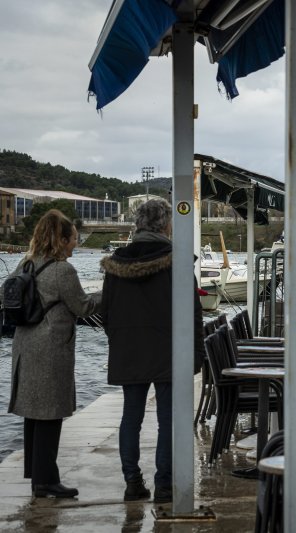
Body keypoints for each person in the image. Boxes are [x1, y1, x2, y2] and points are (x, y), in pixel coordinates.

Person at [99, 198, 203, 503]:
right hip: (169, 350)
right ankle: (165, 485)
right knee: (167, 420)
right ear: (166, 224)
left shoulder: (116, 264)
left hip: (129, 350)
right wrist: (195, 356)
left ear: (138, 225)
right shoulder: (177, 261)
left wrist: (122, 339)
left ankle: (132, 482)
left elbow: (106, 312)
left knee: (130, 417)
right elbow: (193, 313)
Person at [4, 209, 101, 498]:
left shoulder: (26, 263)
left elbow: (4, 294)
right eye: (73, 238)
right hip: (50, 349)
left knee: (33, 414)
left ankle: (38, 477)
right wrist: (110, 292)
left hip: (24, 345)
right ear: (61, 239)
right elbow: (83, 307)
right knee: (49, 414)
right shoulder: (63, 271)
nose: (76, 243)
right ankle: (47, 480)